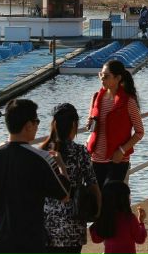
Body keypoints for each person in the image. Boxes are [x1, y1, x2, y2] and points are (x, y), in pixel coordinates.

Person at [0, 99, 71, 254]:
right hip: (28, 243)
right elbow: (65, 195)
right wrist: (60, 165)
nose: (38, 126)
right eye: (37, 121)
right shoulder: (42, 158)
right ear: (28, 125)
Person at [42, 103, 101, 254]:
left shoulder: (43, 152)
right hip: (74, 227)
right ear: (74, 124)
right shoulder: (80, 152)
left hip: (47, 227)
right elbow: (93, 185)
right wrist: (98, 214)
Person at [86, 60, 144, 190]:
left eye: (106, 76)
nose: (102, 79)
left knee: (110, 198)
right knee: (97, 200)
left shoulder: (128, 102)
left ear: (118, 78)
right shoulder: (96, 97)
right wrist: (90, 123)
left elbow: (140, 132)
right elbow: (92, 125)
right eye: (101, 74)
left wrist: (122, 151)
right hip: (96, 159)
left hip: (117, 160)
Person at [89, 182, 147, 254]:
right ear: (124, 200)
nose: (130, 198)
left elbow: (96, 239)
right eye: (128, 196)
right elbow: (140, 239)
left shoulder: (105, 219)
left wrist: (97, 218)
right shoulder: (130, 218)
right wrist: (141, 223)